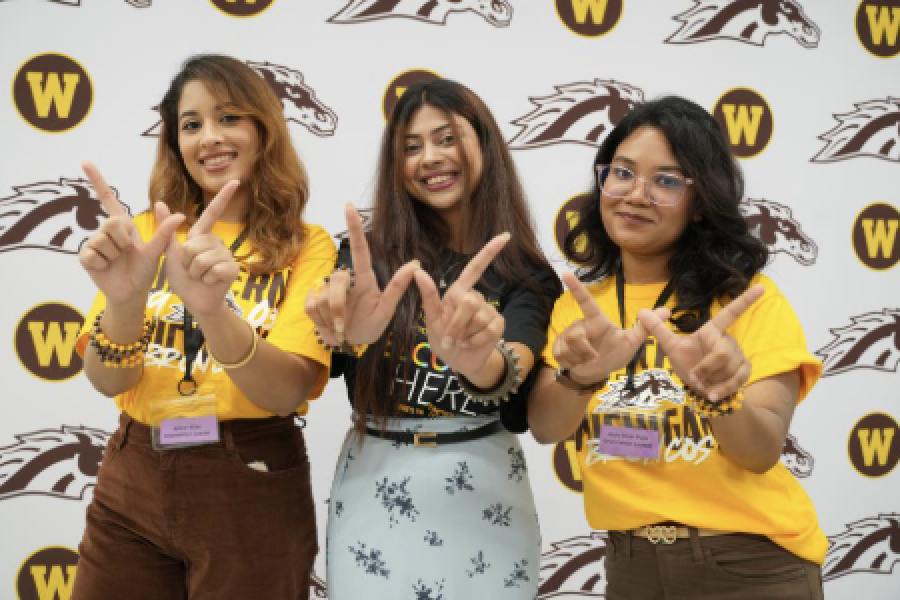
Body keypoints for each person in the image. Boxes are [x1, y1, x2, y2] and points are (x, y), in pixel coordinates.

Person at [527, 96, 826, 600]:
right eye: (623, 172)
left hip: (747, 565)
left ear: (701, 201)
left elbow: (759, 453)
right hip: (631, 567)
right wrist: (580, 378)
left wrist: (717, 395)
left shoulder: (747, 301)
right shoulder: (579, 307)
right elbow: (546, 427)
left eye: (666, 181)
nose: (636, 195)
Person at [71, 54, 334, 600]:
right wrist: (124, 301)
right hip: (132, 474)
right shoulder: (148, 232)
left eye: (229, 117)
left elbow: (285, 391)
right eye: (191, 124)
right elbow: (107, 380)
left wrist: (214, 312)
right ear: (176, 143)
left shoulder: (307, 246)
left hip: (250, 477)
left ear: (264, 131)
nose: (209, 137)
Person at [306, 79, 561, 598]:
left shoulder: (528, 275)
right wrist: (346, 337)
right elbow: (329, 347)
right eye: (411, 146)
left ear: (484, 144)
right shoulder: (365, 259)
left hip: (485, 488)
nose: (430, 158)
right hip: (375, 481)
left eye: (447, 139)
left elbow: (511, 370)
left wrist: (477, 361)